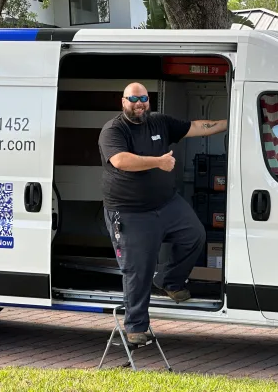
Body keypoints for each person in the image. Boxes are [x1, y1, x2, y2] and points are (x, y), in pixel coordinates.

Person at [97, 82, 227, 345]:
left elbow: (196, 127)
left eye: (143, 98)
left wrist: (232, 122)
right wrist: (159, 162)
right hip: (130, 211)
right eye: (133, 99)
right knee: (138, 269)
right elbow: (121, 160)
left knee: (194, 236)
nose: (139, 104)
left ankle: (169, 280)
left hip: (166, 204)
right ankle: (135, 327)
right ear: (123, 102)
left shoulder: (159, 122)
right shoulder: (113, 130)